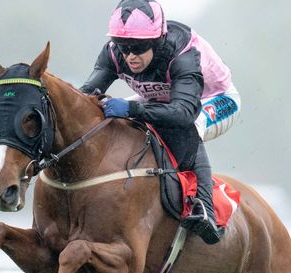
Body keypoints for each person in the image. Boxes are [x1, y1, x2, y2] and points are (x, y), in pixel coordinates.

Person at [80, 0, 241, 245]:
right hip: (161, 98)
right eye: (123, 46)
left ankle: (205, 209)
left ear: (157, 41)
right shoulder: (113, 53)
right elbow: (85, 96)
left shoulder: (184, 54)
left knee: (188, 126)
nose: (130, 55)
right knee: (106, 113)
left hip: (212, 100)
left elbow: (182, 113)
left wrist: (132, 108)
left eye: (138, 46)